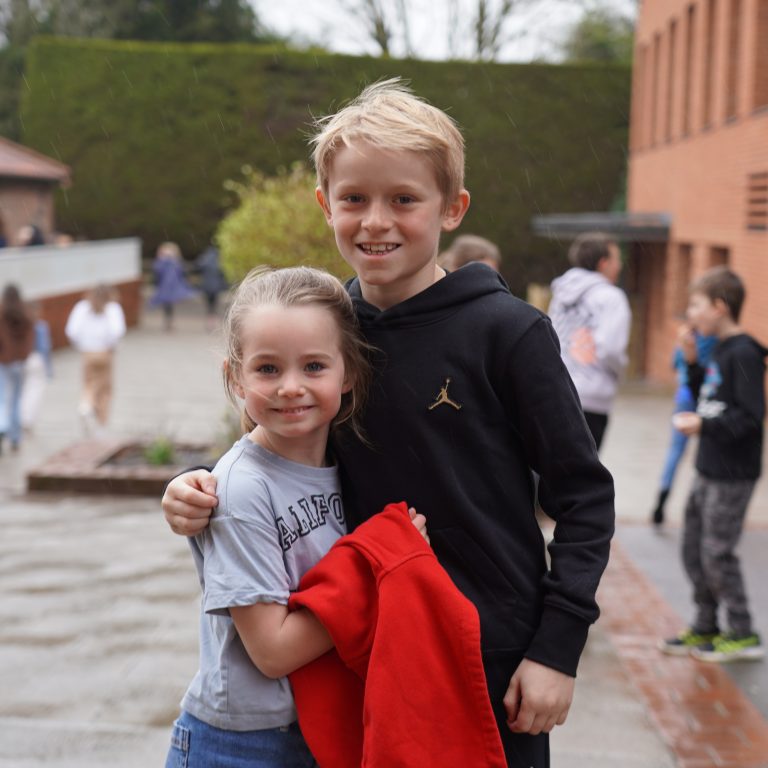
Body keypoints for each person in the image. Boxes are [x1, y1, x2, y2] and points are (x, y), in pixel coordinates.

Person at [162, 79, 615, 768]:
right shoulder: (329, 331)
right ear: (325, 205)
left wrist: (558, 648)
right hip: (365, 655)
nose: (376, 221)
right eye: (354, 199)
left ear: (452, 208)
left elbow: (584, 499)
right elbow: (277, 437)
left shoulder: (510, 334)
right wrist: (195, 485)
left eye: (404, 199)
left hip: (489, 658)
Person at [164, 265, 428, 767]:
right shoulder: (242, 490)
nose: (290, 387)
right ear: (234, 378)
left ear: (348, 372)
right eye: (267, 369)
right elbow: (273, 651)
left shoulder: (349, 464)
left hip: (317, 729)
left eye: (313, 366)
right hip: (241, 745)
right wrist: (384, 575)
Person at [659, 267, 766, 662]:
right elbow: (713, 391)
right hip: (709, 466)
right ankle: (706, 624)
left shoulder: (745, 352)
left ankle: (743, 631)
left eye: (696, 305)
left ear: (720, 307)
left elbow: (751, 416)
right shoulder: (718, 348)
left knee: (718, 552)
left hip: (733, 472)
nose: (690, 314)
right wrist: (690, 360)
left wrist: (704, 424)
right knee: (693, 548)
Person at [547, 232, 631, 451]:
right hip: (593, 397)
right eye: (617, 259)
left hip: (558, 391)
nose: (620, 265)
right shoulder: (612, 297)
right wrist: (621, 370)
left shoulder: (561, 293)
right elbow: (610, 349)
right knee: (583, 476)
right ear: (603, 263)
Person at [649, 329, 716, 526]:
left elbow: (674, 365)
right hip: (708, 398)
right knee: (706, 451)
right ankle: (706, 507)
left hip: (685, 398)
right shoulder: (715, 340)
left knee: (675, 451)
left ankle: (661, 502)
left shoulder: (686, 337)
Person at [65, 285, 126, 436]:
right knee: (105, 389)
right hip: (105, 352)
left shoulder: (82, 307)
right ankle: (101, 422)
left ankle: (85, 407)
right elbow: (117, 331)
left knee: (89, 384)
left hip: (87, 352)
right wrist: (111, 346)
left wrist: (81, 346)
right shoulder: (113, 308)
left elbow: (72, 331)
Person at [0, 284, 35, 454]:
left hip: (3, 361)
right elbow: (30, 338)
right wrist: (23, 355)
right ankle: (15, 437)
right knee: (15, 400)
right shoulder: (25, 313)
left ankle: (2, 426)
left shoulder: (1, 313)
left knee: (2, 398)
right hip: (19, 363)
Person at [20, 302, 53, 434]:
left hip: (21, 360)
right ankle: (27, 419)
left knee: (22, 390)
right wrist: (49, 368)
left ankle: (19, 418)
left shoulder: (20, 326)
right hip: (36, 359)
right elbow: (45, 347)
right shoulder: (40, 326)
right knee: (35, 390)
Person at [149, 241, 196, 331]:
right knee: (167, 304)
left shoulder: (173, 263)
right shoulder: (167, 263)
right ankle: (169, 321)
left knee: (168, 304)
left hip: (169, 287)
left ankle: (169, 321)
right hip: (166, 287)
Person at [194, 243, 228, 330]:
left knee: (209, 305)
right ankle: (213, 322)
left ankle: (210, 321)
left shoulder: (205, 259)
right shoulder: (219, 260)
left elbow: (197, 268)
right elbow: (223, 273)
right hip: (216, 286)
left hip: (206, 286)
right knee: (214, 304)